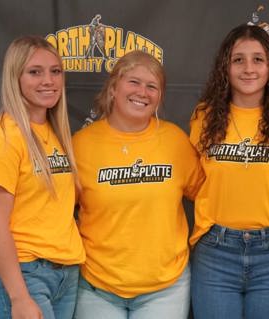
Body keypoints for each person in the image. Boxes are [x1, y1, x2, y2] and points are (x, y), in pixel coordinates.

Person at [71, 50, 203, 319]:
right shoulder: (81, 145)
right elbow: (53, 203)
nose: (142, 92)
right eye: (134, 82)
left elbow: (209, 192)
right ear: (113, 89)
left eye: (152, 86)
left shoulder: (175, 141)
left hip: (165, 288)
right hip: (97, 287)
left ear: (159, 97)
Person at [189, 24, 269, 319]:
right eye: (238, 59)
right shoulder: (204, 117)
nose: (248, 68)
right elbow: (192, 181)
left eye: (258, 59)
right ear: (225, 67)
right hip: (215, 250)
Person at [0, 35, 85, 319]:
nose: (48, 80)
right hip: (25, 274)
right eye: (35, 72)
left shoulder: (54, 132)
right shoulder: (4, 136)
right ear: (15, 78)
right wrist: (19, 297)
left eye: (55, 71)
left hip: (65, 273)